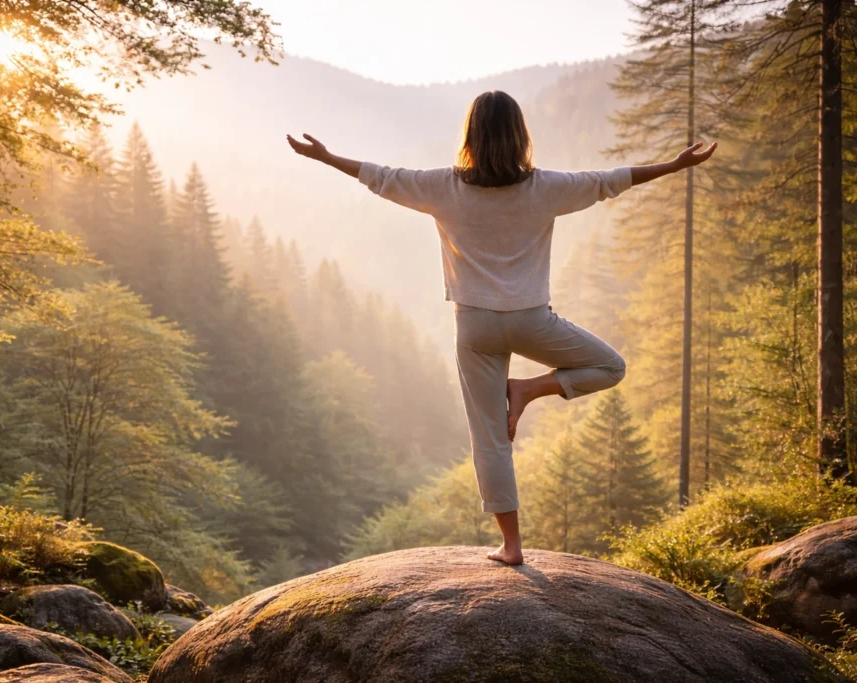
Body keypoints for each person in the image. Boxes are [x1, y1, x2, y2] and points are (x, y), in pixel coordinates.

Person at [286, 90, 716, 565]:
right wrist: (673, 167)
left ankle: (511, 546)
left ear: (471, 135)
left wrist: (325, 157)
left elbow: (381, 177)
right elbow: (610, 181)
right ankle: (530, 389)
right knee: (610, 366)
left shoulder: (442, 187)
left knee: (490, 438)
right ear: (519, 136)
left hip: (474, 328)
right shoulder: (544, 188)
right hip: (533, 320)